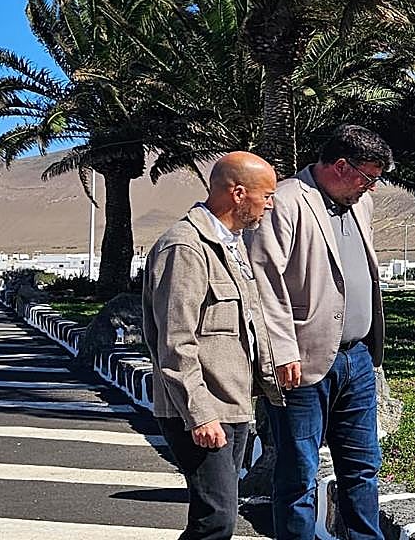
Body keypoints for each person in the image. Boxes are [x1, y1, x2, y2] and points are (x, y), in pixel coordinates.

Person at [244, 124, 392, 540]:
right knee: (299, 473)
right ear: (341, 167)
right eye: (368, 178)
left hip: (358, 359)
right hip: (302, 363)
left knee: (362, 468)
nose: (372, 189)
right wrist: (280, 350)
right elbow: (262, 280)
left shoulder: (358, 205)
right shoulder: (287, 201)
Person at [142, 151, 285, 540]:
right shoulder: (185, 247)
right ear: (238, 193)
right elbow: (176, 342)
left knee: (217, 517)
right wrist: (200, 413)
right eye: (266, 195)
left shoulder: (232, 245)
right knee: (215, 520)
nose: (271, 204)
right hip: (203, 408)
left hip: (232, 402)